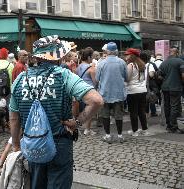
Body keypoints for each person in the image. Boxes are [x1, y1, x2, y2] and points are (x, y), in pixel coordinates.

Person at [9, 35, 103, 189]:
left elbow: (14, 118)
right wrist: (77, 122)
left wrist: (16, 145)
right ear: (58, 56)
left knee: (36, 184)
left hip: (33, 143)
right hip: (59, 141)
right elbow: (96, 100)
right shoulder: (63, 75)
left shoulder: (20, 79)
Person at [96, 42, 128, 144]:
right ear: (116, 51)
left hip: (105, 93)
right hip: (118, 93)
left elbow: (97, 79)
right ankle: (120, 135)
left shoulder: (101, 63)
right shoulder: (122, 62)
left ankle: (108, 136)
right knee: (119, 115)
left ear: (107, 51)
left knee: (105, 115)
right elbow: (126, 77)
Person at [124, 48, 150, 137]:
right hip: (142, 90)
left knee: (133, 112)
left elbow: (127, 79)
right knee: (141, 111)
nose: (126, 56)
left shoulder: (130, 65)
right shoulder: (143, 64)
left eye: (127, 54)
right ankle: (145, 129)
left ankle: (134, 131)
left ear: (132, 56)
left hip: (132, 91)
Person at [159, 47, 184, 134]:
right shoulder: (180, 61)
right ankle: (173, 126)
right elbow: (183, 75)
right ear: (177, 53)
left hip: (165, 87)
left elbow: (159, 76)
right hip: (175, 87)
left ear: (170, 53)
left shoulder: (164, 62)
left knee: (167, 106)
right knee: (174, 106)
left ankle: (169, 125)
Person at [76, 47, 97, 136]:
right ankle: (87, 129)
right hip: (89, 90)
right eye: (92, 56)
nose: (92, 58)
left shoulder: (79, 66)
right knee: (90, 110)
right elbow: (95, 81)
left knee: (83, 109)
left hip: (80, 90)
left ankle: (81, 126)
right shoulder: (91, 68)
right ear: (88, 57)